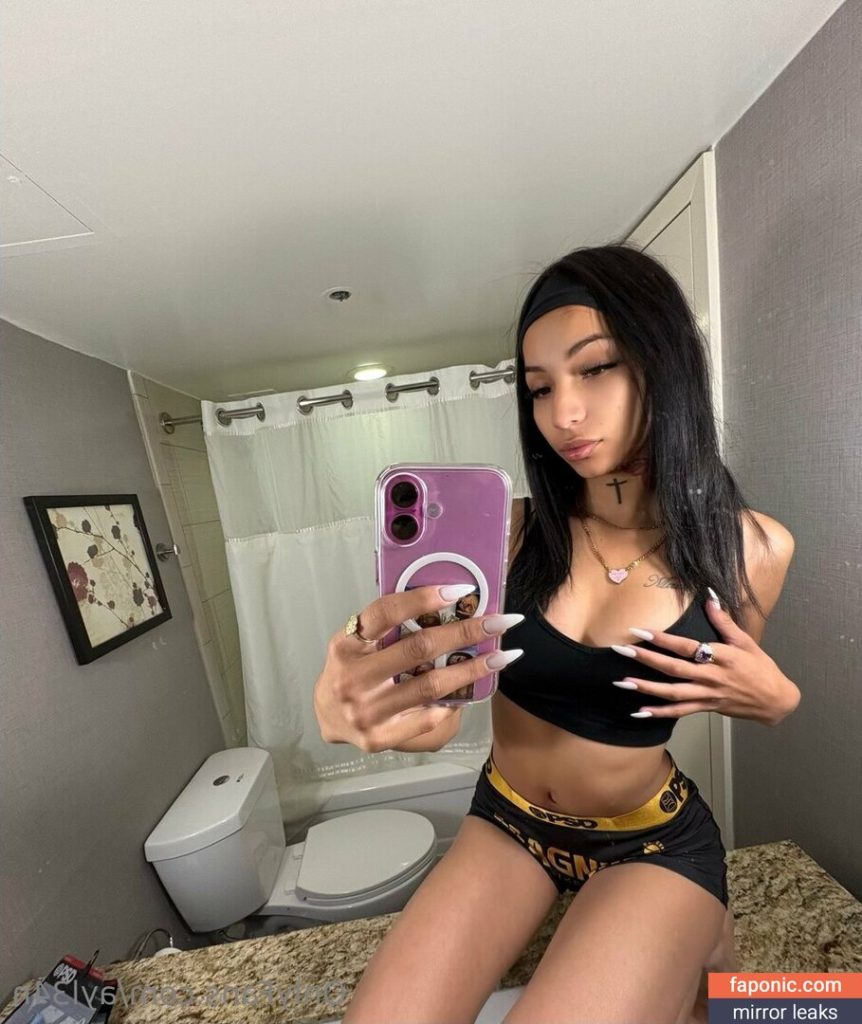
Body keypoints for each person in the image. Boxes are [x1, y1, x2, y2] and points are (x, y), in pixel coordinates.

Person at [314, 242, 801, 1024]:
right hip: (505, 819)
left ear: (665, 364)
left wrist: (777, 702)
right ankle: (703, 968)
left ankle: (728, 971)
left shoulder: (754, 549)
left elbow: (725, 677)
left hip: (650, 841)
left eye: (596, 368)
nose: (562, 413)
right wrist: (369, 691)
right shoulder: (504, 535)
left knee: (741, 1011)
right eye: (539, 387)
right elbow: (424, 693)